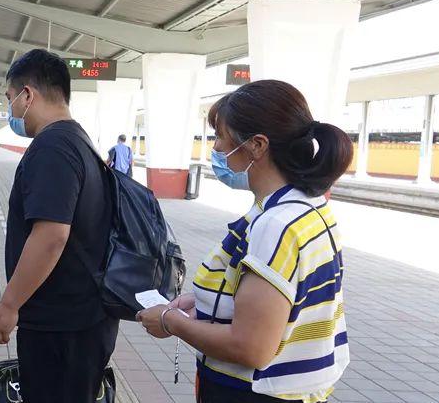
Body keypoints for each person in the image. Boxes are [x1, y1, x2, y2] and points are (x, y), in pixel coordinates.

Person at [137, 80, 352, 403]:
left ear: (257, 145)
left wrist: (170, 322)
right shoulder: (308, 207)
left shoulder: (276, 225)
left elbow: (250, 347)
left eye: (222, 136)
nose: (218, 149)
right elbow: (281, 300)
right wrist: (205, 302)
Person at [0, 49, 117, 403]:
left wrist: (9, 305)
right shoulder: (80, 141)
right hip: (79, 321)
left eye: (11, 99)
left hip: (61, 327)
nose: (11, 109)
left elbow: (51, 236)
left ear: (28, 95)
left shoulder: (52, 147)